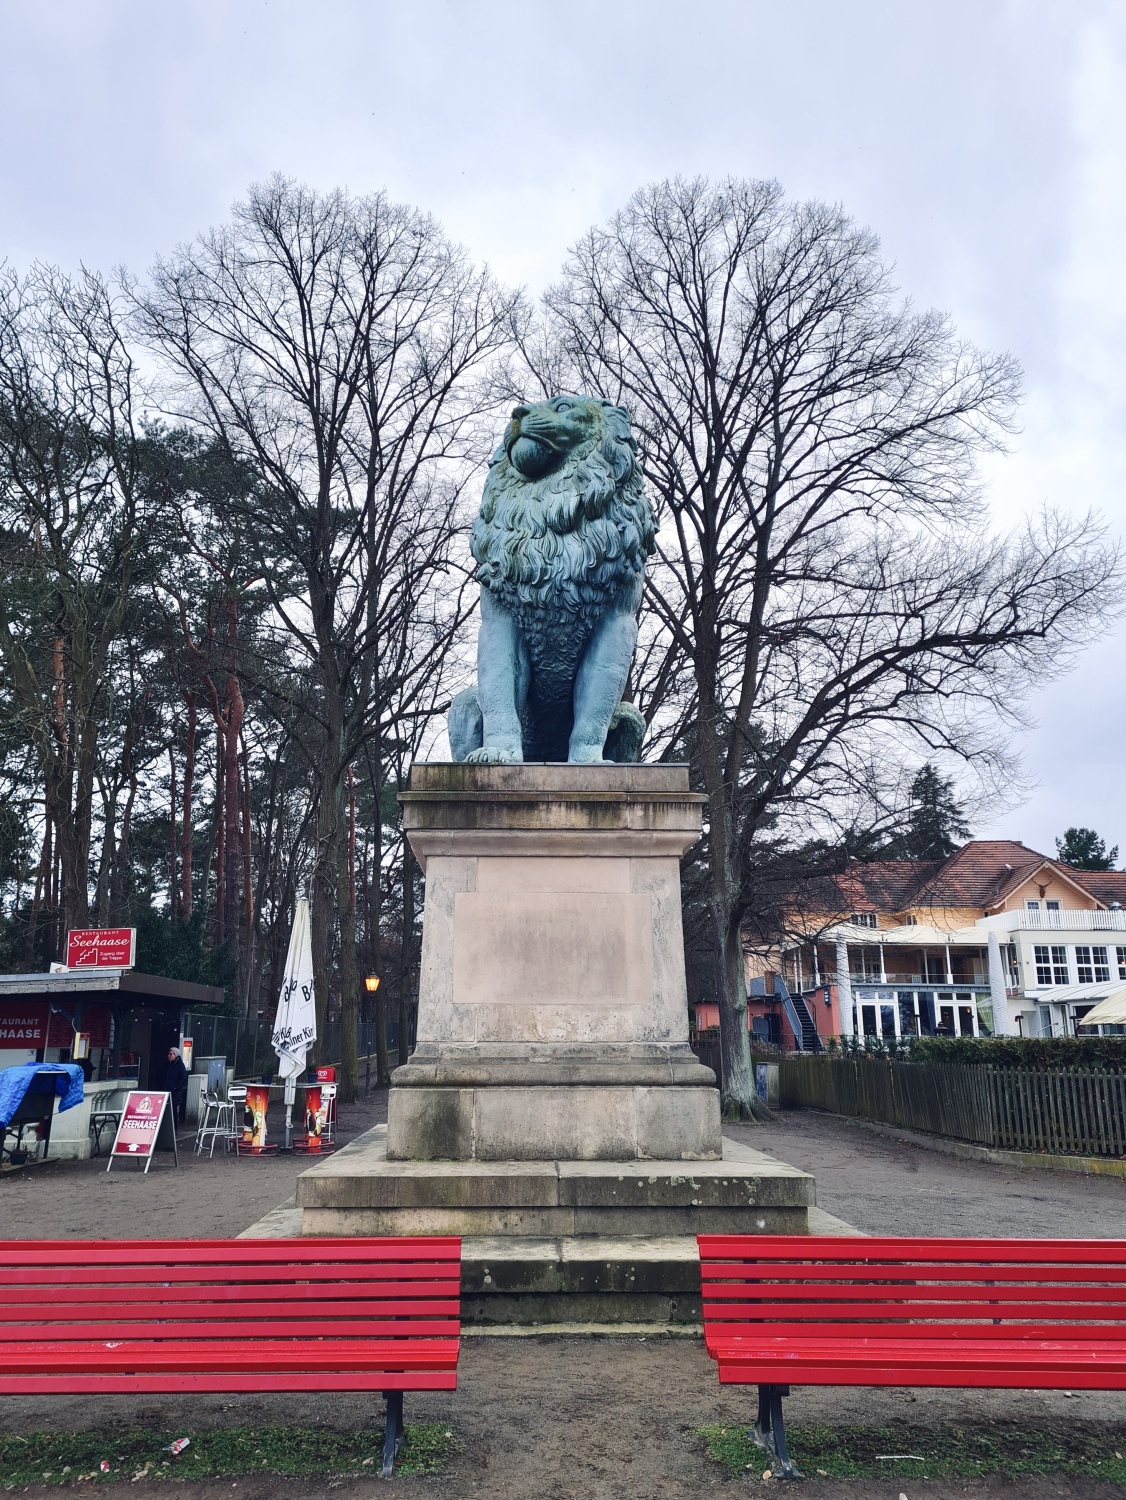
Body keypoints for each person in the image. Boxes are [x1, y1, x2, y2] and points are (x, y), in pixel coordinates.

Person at [165, 1047, 189, 1128]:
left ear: (176, 1055)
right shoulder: (169, 1065)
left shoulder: (180, 1066)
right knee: (167, 1110)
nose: (169, 1056)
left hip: (175, 1092)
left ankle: (175, 1128)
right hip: (168, 1090)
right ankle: (169, 1127)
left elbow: (183, 1078)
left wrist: (176, 1088)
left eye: (171, 1054)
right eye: (168, 1054)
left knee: (174, 1110)